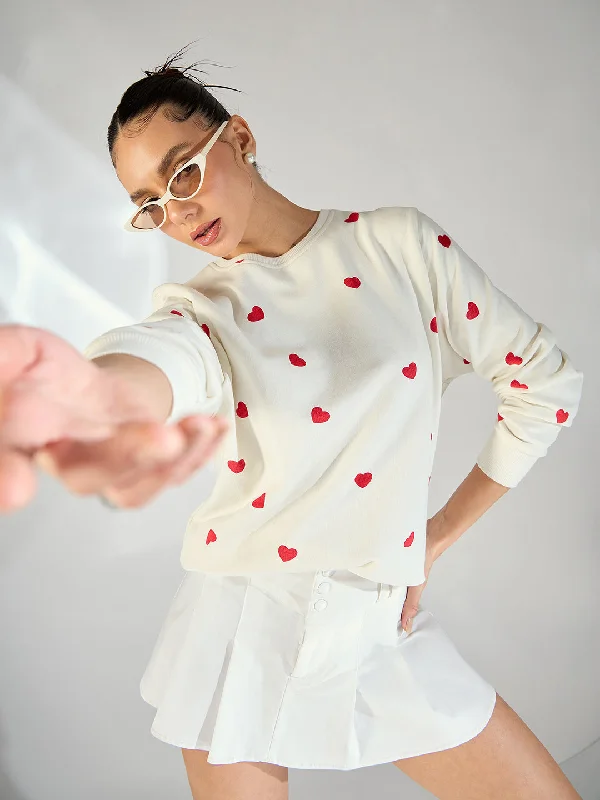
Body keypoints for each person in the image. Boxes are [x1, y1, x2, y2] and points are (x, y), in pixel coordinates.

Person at [0, 43, 584, 800]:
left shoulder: (398, 246)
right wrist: (93, 392)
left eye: (183, 172)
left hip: (378, 623)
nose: (177, 212)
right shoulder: (204, 308)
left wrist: (434, 538)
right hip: (244, 627)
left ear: (239, 138)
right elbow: (160, 362)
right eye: (150, 204)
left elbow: (545, 383)